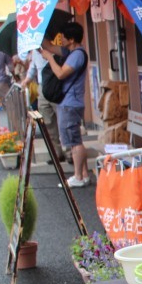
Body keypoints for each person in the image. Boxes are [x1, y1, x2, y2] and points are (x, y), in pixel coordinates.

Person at [41, 21, 89, 186]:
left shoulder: (77, 55)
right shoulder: (70, 51)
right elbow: (47, 46)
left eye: (62, 37)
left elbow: (61, 74)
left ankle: (78, 177)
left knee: (74, 141)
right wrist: (37, 30)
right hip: (69, 102)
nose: (59, 39)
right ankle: (83, 174)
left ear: (71, 39)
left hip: (71, 103)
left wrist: (49, 59)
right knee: (75, 139)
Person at [22, 47, 67, 164]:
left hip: (56, 85)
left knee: (64, 121)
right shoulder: (35, 53)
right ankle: (56, 153)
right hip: (42, 88)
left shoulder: (54, 49)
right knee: (47, 122)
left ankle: (70, 152)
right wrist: (26, 80)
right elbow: (33, 68)